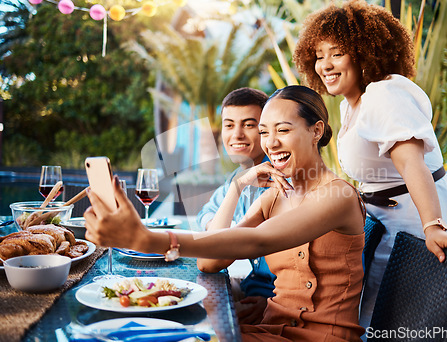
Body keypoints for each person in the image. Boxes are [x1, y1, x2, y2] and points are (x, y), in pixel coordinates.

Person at [84, 85, 367, 342]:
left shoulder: (338, 196)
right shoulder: (274, 196)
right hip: (269, 330)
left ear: (316, 131)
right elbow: (209, 263)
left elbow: (256, 242)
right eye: (265, 132)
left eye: (282, 130)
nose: (271, 143)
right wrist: (238, 185)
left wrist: (146, 239)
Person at [292, 0, 447, 339]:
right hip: (392, 229)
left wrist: (433, 226)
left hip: (427, 229)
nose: (325, 65)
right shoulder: (354, 104)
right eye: (319, 55)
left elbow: (412, 163)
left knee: (416, 332)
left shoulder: (384, 93)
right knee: (382, 328)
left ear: (365, 52)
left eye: (336, 53)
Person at [196, 87, 277, 325]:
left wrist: (274, 301)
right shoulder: (240, 176)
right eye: (229, 125)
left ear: (266, 130)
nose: (237, 135)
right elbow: (206, 213)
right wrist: (215, 226)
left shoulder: (278, 181)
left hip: (273, 304)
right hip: (251, 290)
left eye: (249, 125)